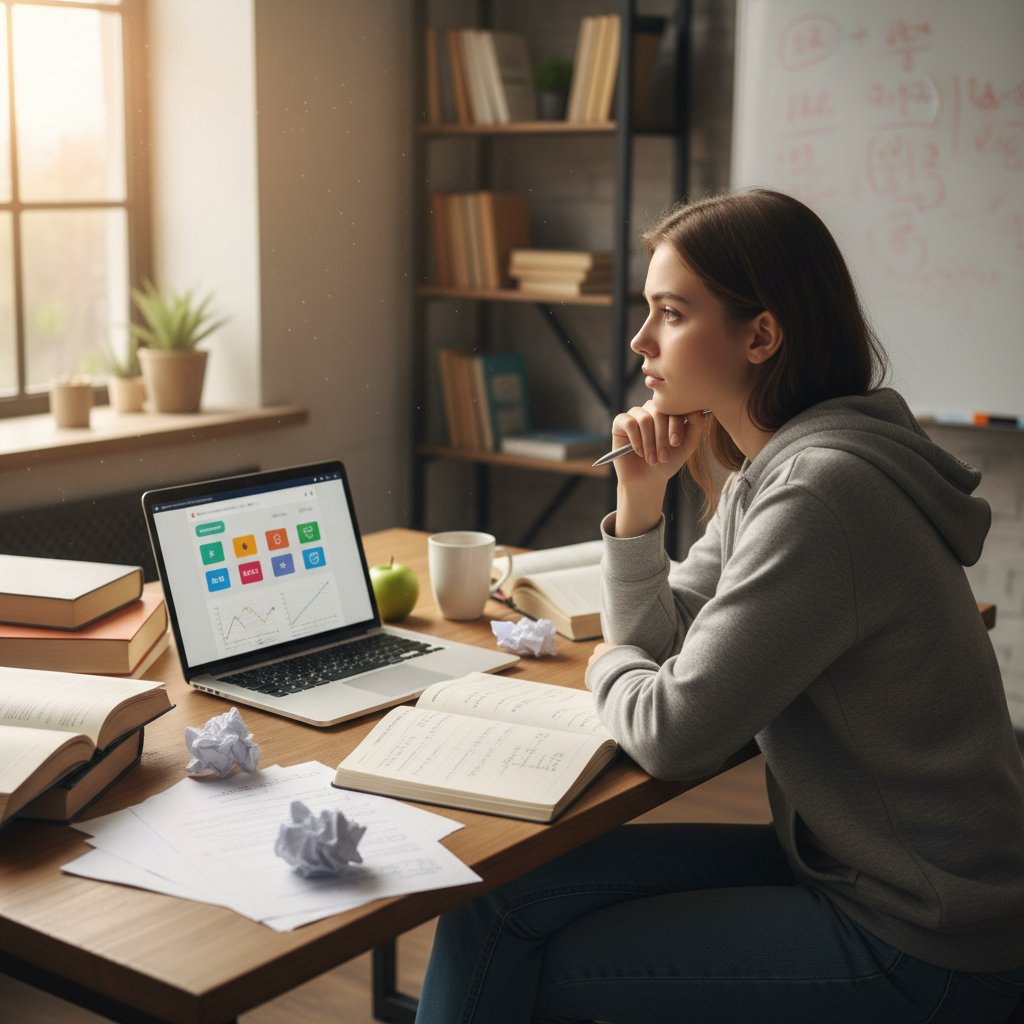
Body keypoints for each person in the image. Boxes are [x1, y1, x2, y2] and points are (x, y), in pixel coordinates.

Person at [414, 189, 1024, 1023]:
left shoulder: (822, 492)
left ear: (761, 336)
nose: (639, 343)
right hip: (847, 865)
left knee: (547, 965)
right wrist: (639, 505)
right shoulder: (776, 468)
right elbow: (678, 628)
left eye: (669, 313)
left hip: (923, 934)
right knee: (490, 897)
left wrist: (606, 662)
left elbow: (674, 731)